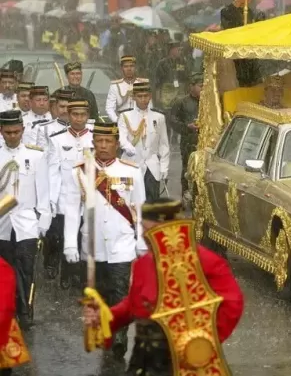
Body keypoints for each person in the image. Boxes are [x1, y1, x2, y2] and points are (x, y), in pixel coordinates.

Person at [82, 198, 244, 375]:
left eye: (149, 230)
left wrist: (205, 340)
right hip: (147, 361)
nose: (144, 236)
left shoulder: (205, 261)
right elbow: (133, 306)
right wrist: (104, 317)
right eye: (143, 229)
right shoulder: (143, 264)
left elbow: (232, 303)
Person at [61, 121, 146, 358]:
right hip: (93, 243)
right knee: (102, 292)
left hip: (122, 242)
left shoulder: (132, 171)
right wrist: (69, 242)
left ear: (117, 144)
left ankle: (119, 338)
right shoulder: (79, 171)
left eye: (109, 141)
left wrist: (141, 240)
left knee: (120, 291)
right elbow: (70, 208)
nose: (104, 145)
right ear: (93, 143)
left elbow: (140, 208)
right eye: (99, 141)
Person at [0, 110, 50, 327]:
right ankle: (9, 308)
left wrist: (44, 222)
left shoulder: (36, 155)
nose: (12, 136)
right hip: (1, 222)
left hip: (27, 221)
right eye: (8, 132)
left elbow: (44, 191)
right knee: (6, 268)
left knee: (26, 266)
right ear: (1, 131)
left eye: (16, 132)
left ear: (23, 130)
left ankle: (25, 309)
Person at [46, 99, 94, 288]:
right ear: (69, 115)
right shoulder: (58, 139)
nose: (78, 118)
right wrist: (52, 199)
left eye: (82, 115)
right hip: (66, 197)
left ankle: (82, 277)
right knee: (67, 236)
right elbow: (53, 172)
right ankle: (66, 275)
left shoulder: (95, 139)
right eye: (75, 114)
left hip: (88, 197)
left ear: (88, 116)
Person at [118, 83, 170, 201]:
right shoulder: (125, 116)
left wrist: (164, 167)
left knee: (152, 206)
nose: (143, 99)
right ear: (133, 97)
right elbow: (122, 138)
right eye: (140, 96)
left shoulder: (159, 117)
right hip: (131, 164)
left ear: (150, 96)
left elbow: (164, 144)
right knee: (129, 202)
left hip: (152, 167)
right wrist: (128, 147)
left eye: (146, 96)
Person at [170, 74, 201, 202]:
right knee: (188, 168)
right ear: (191, 87)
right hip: (188, 141)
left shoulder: (211, 101)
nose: (203, 89)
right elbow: (172, 121)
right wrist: (187, 127)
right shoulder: (181, 102)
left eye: (205, 86)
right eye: (200, 86)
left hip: (206, 141)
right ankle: (185, 194)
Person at [105, 56, 151, 123]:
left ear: (135, 68)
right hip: (122, 119)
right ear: (122, 68)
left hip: (141, 120)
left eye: (131, 66)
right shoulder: (115, 86)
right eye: (126, 66)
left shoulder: (143, 84)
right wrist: (117, 121)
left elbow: (149, 105)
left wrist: (145, 120)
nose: (129, 69)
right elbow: (109, 108)